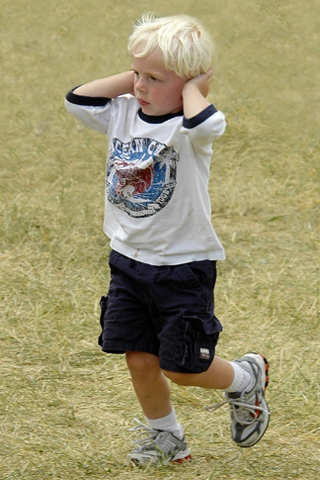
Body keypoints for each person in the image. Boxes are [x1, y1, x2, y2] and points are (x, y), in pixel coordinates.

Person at [65, 12, 270, 466]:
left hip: (183, 266)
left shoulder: (189, 130)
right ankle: (167, 438)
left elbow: (207, 125)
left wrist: (194, 88)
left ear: (191, 86)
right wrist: (141, 73)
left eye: (155, 79)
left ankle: (244, 377)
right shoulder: (121, 112)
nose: (140, 87)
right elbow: (77, 99)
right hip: (128, 261)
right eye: (136, 74)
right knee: (139, 359)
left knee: (183, 368)